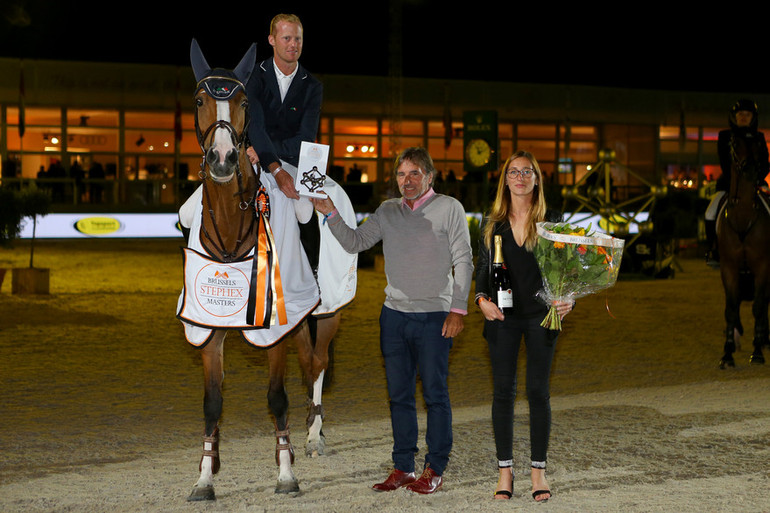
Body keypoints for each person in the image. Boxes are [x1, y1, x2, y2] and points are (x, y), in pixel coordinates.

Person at [311, 147, 473, 494]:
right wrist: (331, 214)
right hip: (394, 317)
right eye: (401, 175)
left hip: (434, 317)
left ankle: (435, 467)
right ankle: (403, 467)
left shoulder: (449, 208)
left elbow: (464, 259)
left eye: (415, 173)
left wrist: (458, 308)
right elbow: (356, 243)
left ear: (430, 176)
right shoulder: (387, 211)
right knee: (399, 396)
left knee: (434, 395)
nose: (407, 181)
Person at [474, 150, 573, 502]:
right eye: (513, 172)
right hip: (502, 319)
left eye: (526, 171)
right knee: (502, 393)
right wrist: (481, 300)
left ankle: (538, 472)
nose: (519, 177)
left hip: (542, 317)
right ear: (505, 179)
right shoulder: (492, 223)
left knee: (537, 393)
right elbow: (481, 272)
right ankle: (505, 473)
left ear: (536, 178)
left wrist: (568, 298)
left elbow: (566, 270)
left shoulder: (552, 220)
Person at [704, 99, 770, 267]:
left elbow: (765, 163)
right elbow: (725, 163)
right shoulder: (724, 136)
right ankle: (713, 249)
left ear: (752, 118)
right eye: (740, 114)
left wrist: (754, 180)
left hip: (755, 185)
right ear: (734, 117)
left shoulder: (759, 137)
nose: (743, 117)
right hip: (729, 185)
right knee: (710, 212)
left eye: (747, 115)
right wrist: (738, 182)